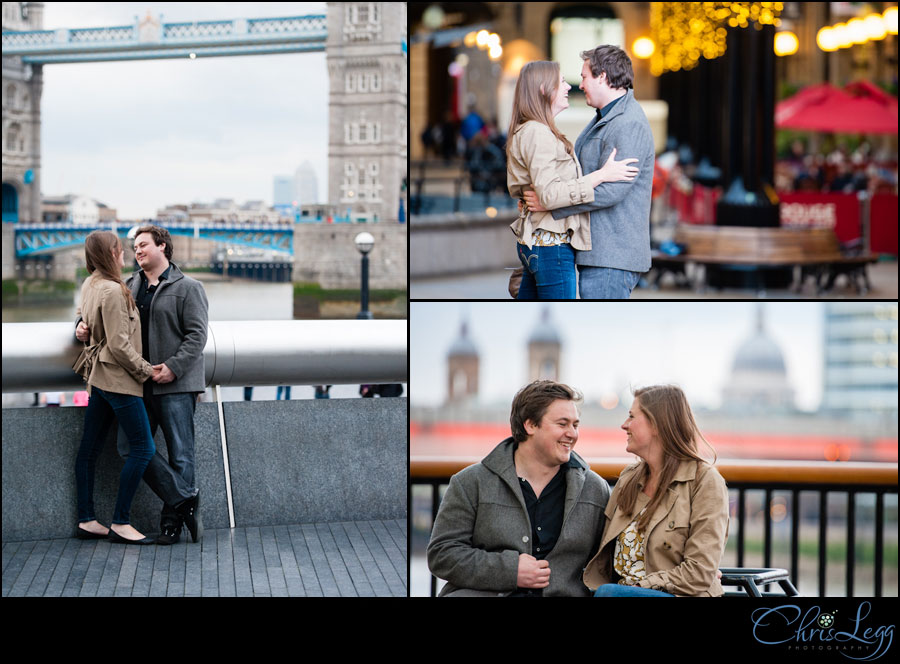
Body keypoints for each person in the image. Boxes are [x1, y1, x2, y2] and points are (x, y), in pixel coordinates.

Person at [76, 225, 207, 545]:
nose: (137, 250)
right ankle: (185, 499)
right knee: (130, 448)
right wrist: (78, 326)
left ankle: (171, 524)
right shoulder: (126, 285)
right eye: (134, 246)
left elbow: (197, 336)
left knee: (181, 455)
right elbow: (99, 318)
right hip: (138, 382)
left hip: (175, 384)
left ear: (163, 246)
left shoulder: (189, 287)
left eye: (144, 245)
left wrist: (173, 368)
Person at [427, 380, 610, 596]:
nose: (572, 434)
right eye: (562, 424)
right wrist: (510, 570)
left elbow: (607, 564)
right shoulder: (471, 482)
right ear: (530, 425)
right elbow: (442, 554)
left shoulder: (595, 489)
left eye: (575, 425)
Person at [523, 46, 656, 299]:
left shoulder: (629, 123)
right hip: (601, 254)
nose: (580, 84)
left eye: (584, 77)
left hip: (611, 257)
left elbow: (613, 191)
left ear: (603, 77)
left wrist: (553, 205)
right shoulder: (607, 116)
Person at [583, 385, 729, 597]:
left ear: (657, 424)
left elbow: (699, 572)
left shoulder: (704, 481)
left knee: (609, 594)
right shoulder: (628, 479)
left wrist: (642, 586)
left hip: (668, 594)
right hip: (620, 593)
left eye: (632, 416)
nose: (624, 425)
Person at [72, 231, 157, 545]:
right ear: (110, 253)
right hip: (118, 380)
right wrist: (148, 371)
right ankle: (121, 521)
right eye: (120, 250)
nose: (125, 255)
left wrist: (78, 327)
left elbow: (83, 319)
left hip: (97, 378)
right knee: (144, 448)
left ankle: (87, 519)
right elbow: (120, 346)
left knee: (89, 450)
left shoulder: (90, 283)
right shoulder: (113, 290)